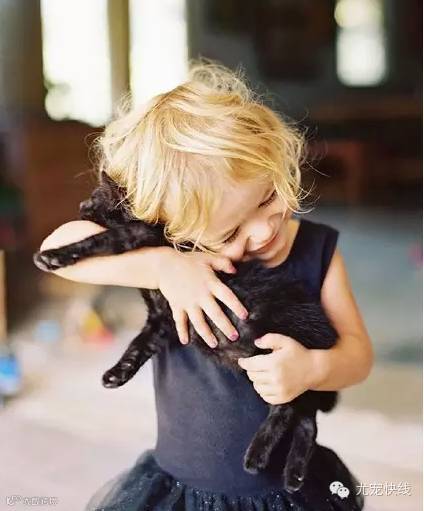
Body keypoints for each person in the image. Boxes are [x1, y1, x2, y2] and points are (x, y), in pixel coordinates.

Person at [38, 60, 374, 510]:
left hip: (286, 494)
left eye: (267, 197)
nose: (262, 230)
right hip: (181, 491)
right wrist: (163, 267)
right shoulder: (175, 257)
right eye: (231, 232)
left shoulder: (318, 251)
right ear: (180, 232)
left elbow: (359, 355)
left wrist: (313, 368)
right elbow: (57, 251)